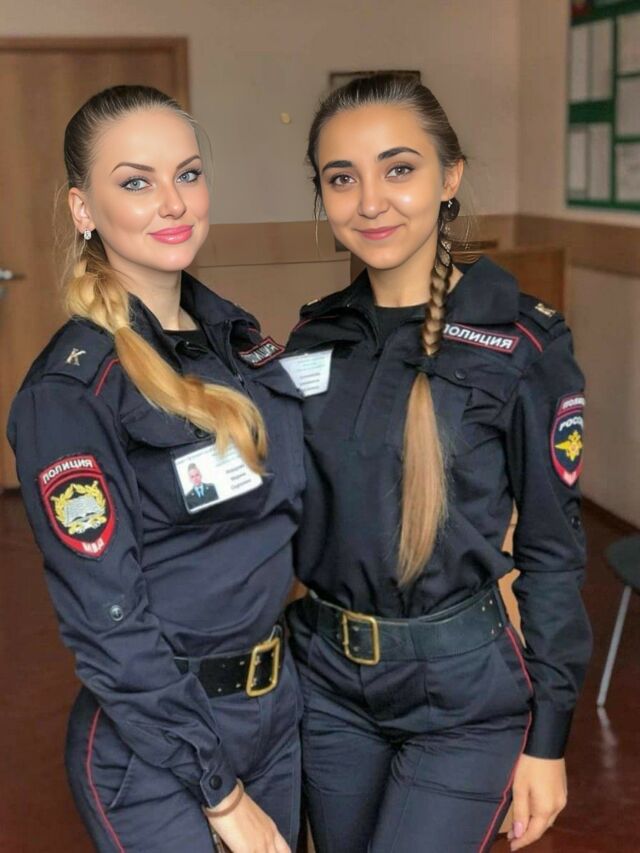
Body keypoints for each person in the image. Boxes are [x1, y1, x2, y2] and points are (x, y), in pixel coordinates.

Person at [284, 73, 592, 853]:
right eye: (341, 178)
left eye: (399, 168)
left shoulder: (522, 343)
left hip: (462, 693)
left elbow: (554, 551)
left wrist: (549, 737)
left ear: (449, 177)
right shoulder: (314, 339)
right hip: (327, 680)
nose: (370, 202)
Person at [7, 85, 304, 853]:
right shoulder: (72, 391)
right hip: (159, 746)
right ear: (83, 209)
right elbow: (107, 621)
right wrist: (220, 791)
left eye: (189, 174)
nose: (173, 202)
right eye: (136, 181)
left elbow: (293, 509)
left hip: (277, 707)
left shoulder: (237, 343)